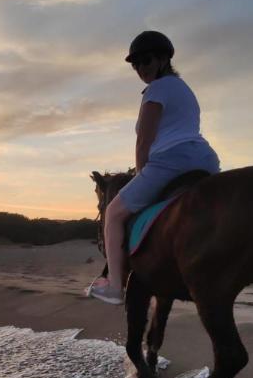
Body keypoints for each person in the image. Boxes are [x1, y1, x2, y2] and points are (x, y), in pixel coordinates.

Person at [88, 31, 220, 304]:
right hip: (206, 159)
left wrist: (142, 170)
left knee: (112, 214)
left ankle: (114, 286)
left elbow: (144, 139)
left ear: (162, 59)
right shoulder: (185, 89)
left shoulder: (157, 89)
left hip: (171, 161)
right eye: (135, 64)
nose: (140, 68)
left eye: (145, 61)